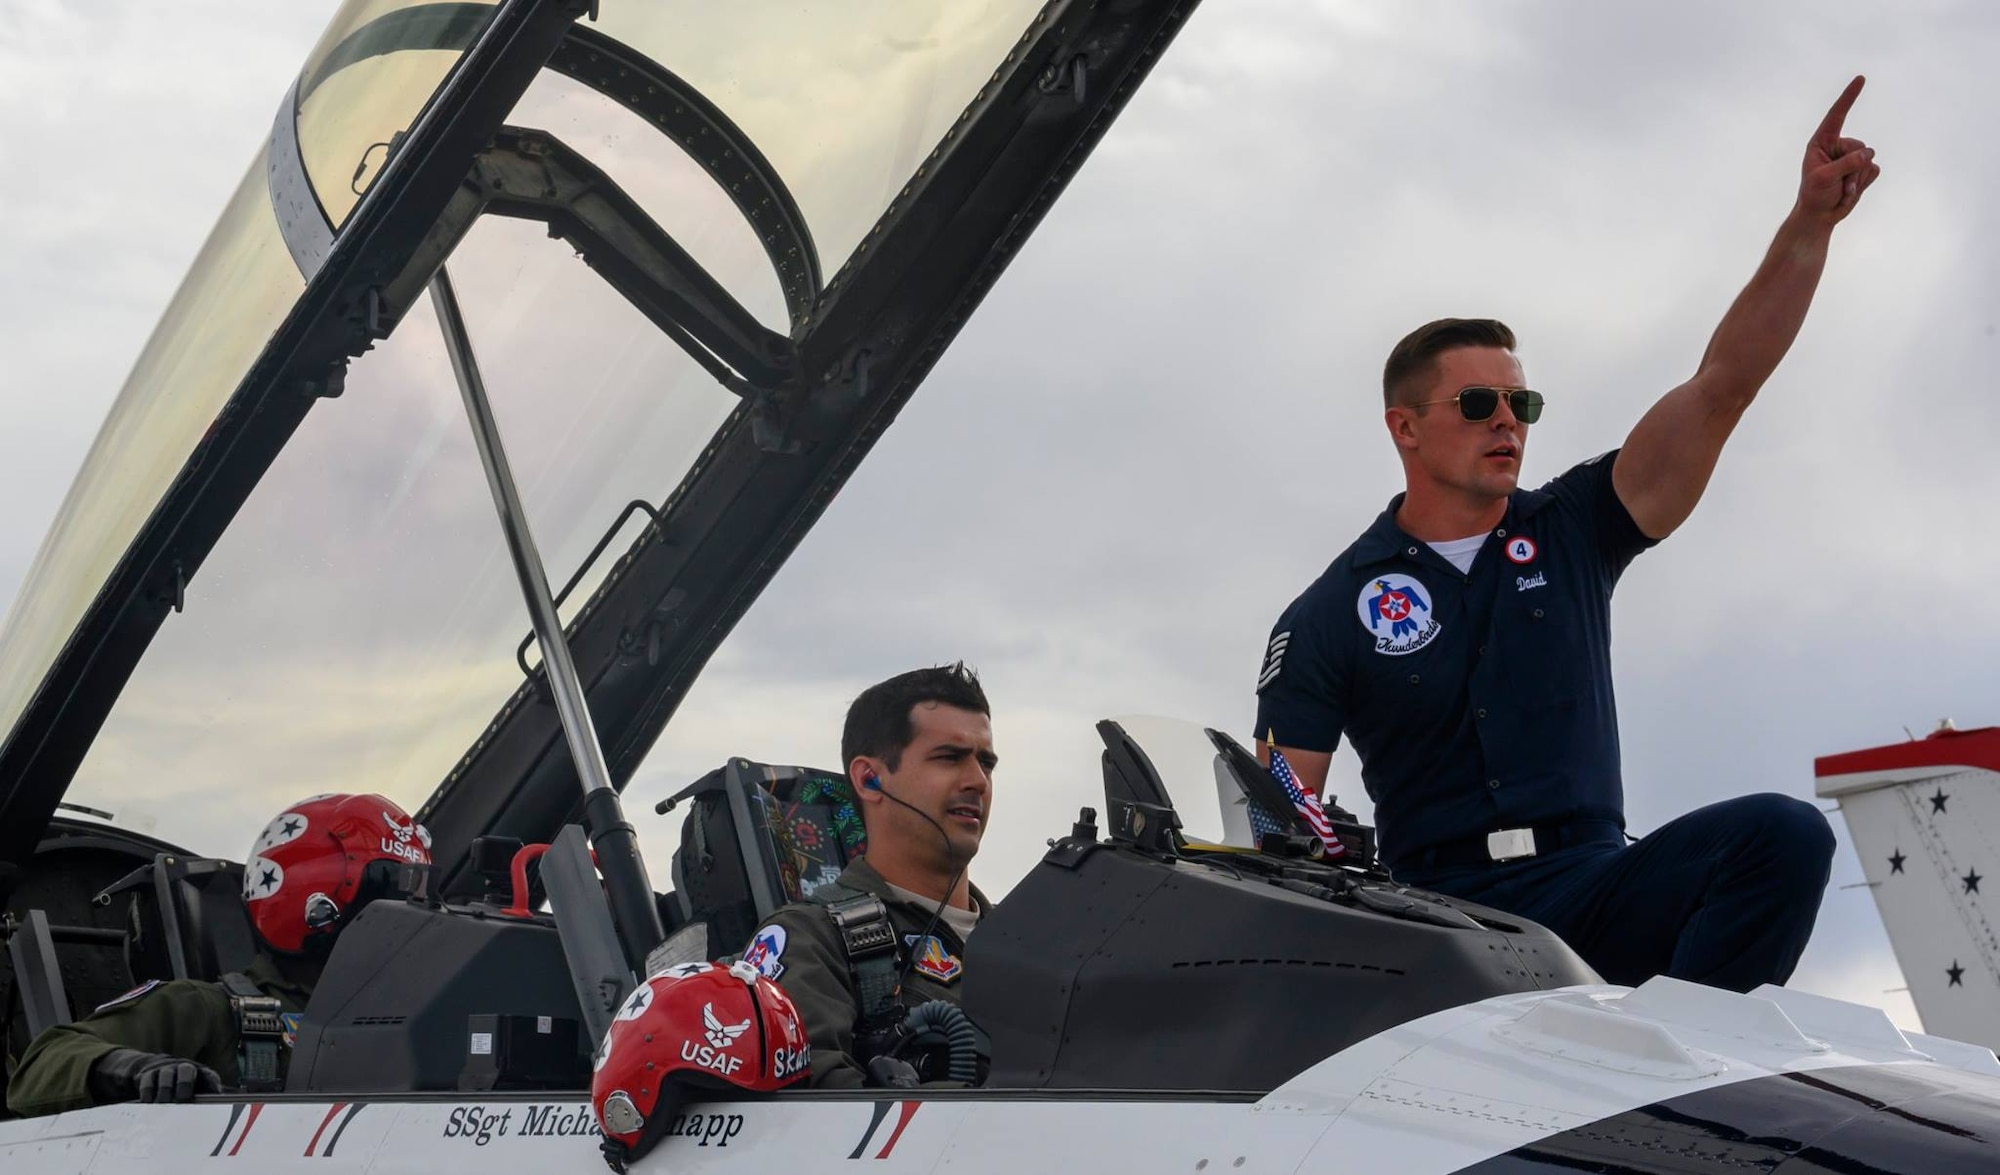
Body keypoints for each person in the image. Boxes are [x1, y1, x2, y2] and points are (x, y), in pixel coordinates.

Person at [1253, 78, 1880, 993]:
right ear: (1406, 428)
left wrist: (1809, 225)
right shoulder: (1328, 612)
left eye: (1522, 403)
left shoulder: (1577, 525)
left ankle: (1679, 1072)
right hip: (1443, 919)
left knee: (1785, 833)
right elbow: (1279, 824)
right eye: (1478, 404)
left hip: (1594, 882)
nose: (1508, 422)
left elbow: (1722, 385)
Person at [5, 794, 431, 1115]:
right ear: (317, 905)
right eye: (389, 897)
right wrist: (134, 1068)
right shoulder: (205, 1008)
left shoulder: (424, 1015)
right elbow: (42, 1064)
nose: (413, 916)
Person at [739, 663, 995, 1088]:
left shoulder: (1034, 944)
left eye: (986, 763)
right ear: (869, 779)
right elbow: (802, 1115)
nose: (978, 781)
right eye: (949, 758)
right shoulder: (812, 941)